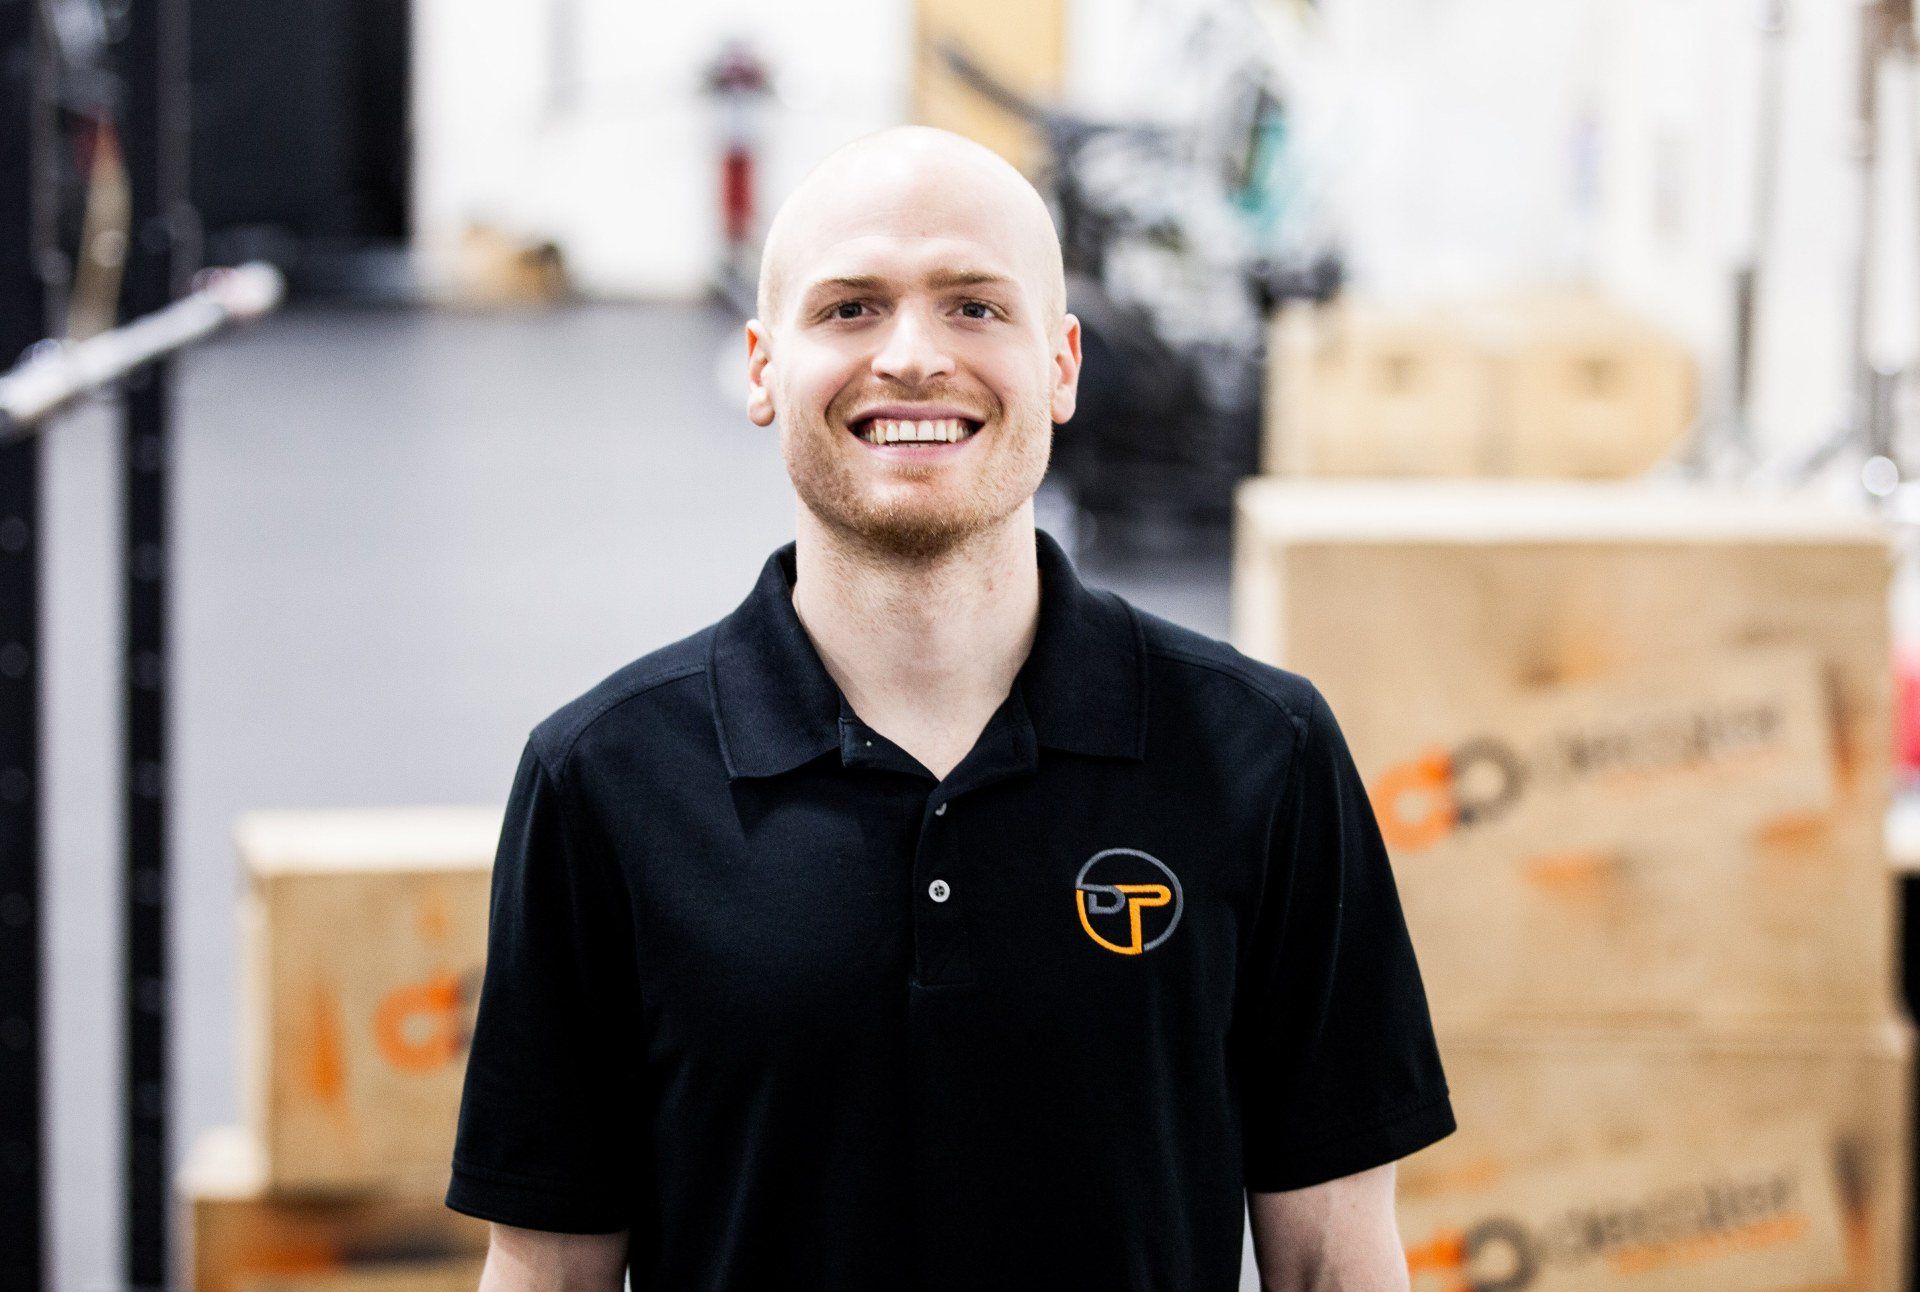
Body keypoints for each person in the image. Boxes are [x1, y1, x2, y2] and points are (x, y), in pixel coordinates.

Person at [445, 125, 1453, 1291]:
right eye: (851, 308)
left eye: (975, 306)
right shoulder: (605, 779)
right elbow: (547, 1269)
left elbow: (1335, 1263)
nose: (914, 356)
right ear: (763, 367)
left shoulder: (1262, 755)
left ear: (1064, 362)